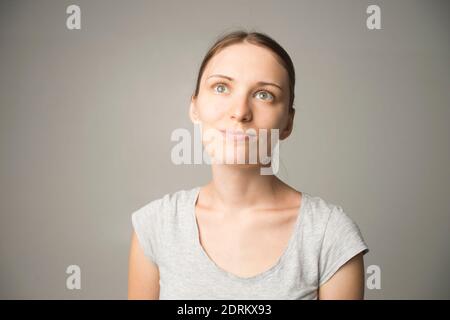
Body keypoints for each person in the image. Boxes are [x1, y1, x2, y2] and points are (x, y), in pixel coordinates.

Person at [128, 30, 369, 300]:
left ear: (288, 122)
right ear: (194, 107)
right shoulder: (155, 227)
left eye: (264, 94)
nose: (240, 111)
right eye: (221, 87)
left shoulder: (329, 235)